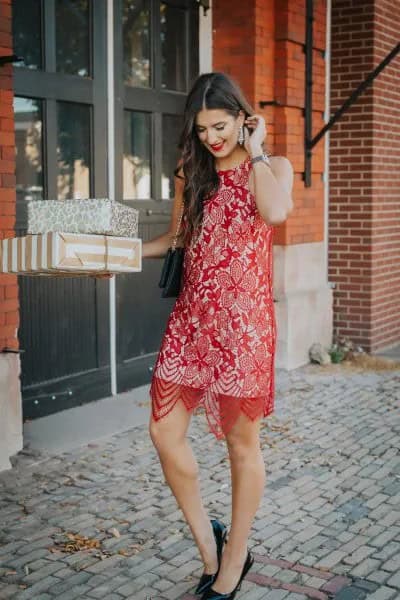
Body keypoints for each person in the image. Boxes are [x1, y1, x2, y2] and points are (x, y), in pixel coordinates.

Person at [143, 72, 294, 599]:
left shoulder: (272, 168)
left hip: (244, 327)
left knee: (240, 446)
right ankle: (210, 547)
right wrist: (110, 256)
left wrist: (252, 152)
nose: (212, 137)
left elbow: (275, 213)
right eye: (203, 128)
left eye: (222, 125)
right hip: (191, 322)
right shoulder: (193, 171)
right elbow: (175, 237)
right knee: (164, 432)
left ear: (242, 118)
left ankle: (235, 557)